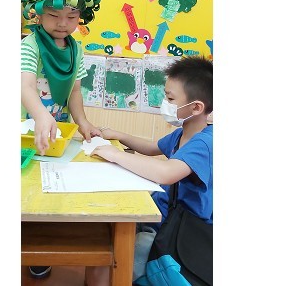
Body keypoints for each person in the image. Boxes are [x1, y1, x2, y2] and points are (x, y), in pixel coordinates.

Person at [85, 56, 213, 285]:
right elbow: (152, 147)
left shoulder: (205, 143)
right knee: (102, 239)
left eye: (170, 98)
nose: (164, 103)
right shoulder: (182, 133)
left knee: (107, 260)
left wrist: (115, 154)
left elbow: (166, 173)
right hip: (160, 217)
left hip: (180, 233)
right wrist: (118, 135)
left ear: (196, 107)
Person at [21, 0, 104, 279]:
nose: (63, 23)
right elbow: (25, 86)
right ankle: (27, 244)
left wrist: (83, 123)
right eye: (54, 14)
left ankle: (46, 245)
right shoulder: (30, 45)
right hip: (26, 129)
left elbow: (75, 92)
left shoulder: (76, 49)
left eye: (72, 16)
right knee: (25, 191)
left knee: (53, 189)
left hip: (59, 131)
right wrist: (41, 115)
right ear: (38, 12)